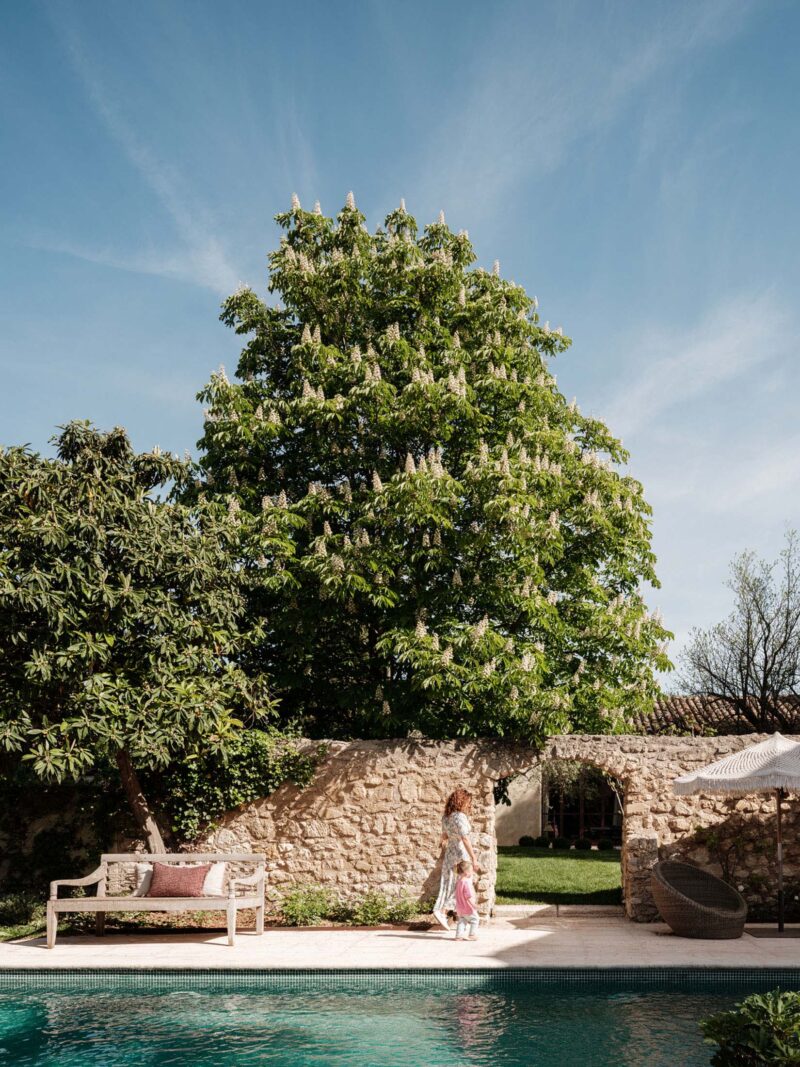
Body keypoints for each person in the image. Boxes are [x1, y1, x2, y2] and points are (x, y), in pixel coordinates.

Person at [433, 787, 480, 931]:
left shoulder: (446, 817)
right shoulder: (459, 816)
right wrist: (473, 858)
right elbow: (464, 838)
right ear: (461, 801)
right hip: (460, 853)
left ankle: (457, 917)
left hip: (450, 854)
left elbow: (445, 835)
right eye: (468, 802)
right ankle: (443, 911)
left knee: (450, 883)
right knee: (463, 884)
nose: (469, 805)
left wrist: (442, 842)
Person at [454, 860, 479, 941]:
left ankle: (458, 936)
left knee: (462, 920)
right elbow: (468, 897)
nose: (472, 873)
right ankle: (472, 935)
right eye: (471, 871)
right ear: (466, 872)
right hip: (467, 907)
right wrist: (473, 905)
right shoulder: (466, 883)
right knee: (475, 919)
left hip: (460, 907)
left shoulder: (459, 882)